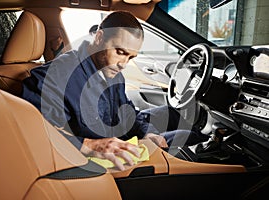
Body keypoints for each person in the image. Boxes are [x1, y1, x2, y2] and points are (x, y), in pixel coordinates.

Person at [21, 11, 208, 171]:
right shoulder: (54, 78)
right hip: (94, 164)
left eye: (131, 57)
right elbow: (35, 134)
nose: (123, 64)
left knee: (177, 119)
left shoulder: (112, 72)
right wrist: (90, 145)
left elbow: (126, 111)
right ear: (100, 37)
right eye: (120, 51)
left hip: (118, 141)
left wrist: (147, 133)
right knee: (189, 139)